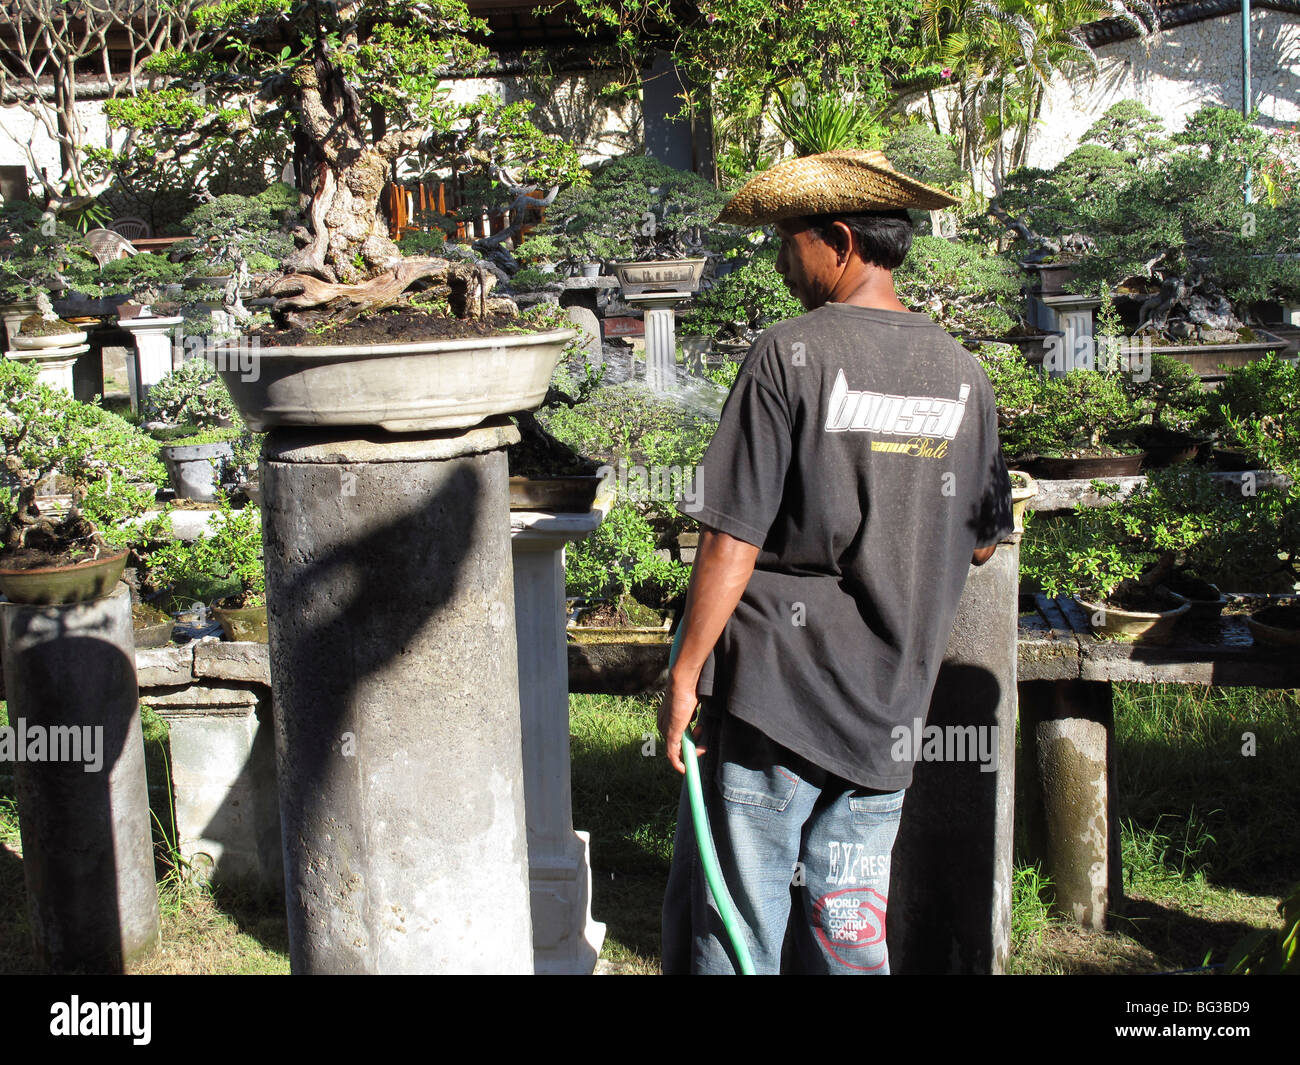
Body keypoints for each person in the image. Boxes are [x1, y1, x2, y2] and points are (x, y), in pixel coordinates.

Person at [659, 150, 1014, 975]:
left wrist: (684, 674)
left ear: (841, 241)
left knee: (739, 925)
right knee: (848, 931)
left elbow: (731, 538)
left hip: (774, 697)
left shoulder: (790, 355)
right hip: (888, 709)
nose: (783, 260)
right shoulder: (965, 376)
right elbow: (984, 536)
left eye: (789, 241)